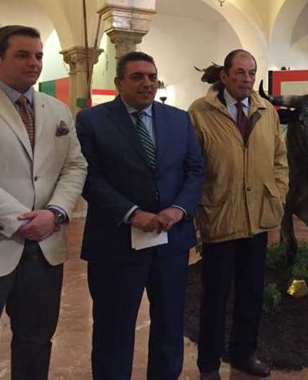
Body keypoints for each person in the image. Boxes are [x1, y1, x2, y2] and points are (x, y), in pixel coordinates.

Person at [76, 51, 205, 380]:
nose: (147, 83)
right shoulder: (92, 121)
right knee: (113, 330)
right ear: (119, 83)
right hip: (116, 244)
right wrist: (132, 213)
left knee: (169, 325)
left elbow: (195, 170)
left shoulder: (178, 119)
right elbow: (89, 177)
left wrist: (178, 209)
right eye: (137, 77)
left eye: (152, 77)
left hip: (170, 243)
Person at [0, 25, 87, 380]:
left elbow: (75, 164)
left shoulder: (56, 108)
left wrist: (55, 213)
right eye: (23, 55)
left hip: (44, 246)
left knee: (36, 340)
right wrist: (20, 219)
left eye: (39, 55)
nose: (34, 63)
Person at [189, 49, 288, 380]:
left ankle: (245, 353)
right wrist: (202, 203)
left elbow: (279, 158)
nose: (247, 79)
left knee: (251, 293)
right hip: (221, 218)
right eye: (241, 72)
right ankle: (209, 365)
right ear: (225, 76)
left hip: (258, 218)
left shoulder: (266, 111)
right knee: (215, 297)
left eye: (252, 73)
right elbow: (193, 165)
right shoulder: (200, 113)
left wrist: (278, 194)